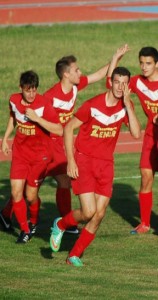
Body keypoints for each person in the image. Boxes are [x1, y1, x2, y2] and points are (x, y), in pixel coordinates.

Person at [49, 66, 141, 266]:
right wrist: (71, 160)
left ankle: (73, 255)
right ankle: (61, 224)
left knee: (99, 215)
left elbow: (136, 133)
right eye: (117, 82)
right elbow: (68, 128)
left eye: (124, 83)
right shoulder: (92, 105)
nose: (120, 87)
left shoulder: (126, 106)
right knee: (88, 211)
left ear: (128, 86)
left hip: (106, 164)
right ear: (111, 82)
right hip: (84, 161)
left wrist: (128, 104)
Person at [43, 55, 110, 233]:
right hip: (49, 143)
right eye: (76, 70)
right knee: (41, 184)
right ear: (66, 74)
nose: (80, 72)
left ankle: (67, 223)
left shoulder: (74, 86)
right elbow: (47, 124)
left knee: (62, 181)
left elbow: (99, 75)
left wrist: (116, 58)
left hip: (63, 142)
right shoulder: (50, 97)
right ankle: (67, 223)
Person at [0, 70, 63, 243]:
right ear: (21, 88)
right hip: (20, 154)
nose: (31, 93)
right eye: (28, 90)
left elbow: (59, 129)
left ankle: (34, 221)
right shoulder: (13, 100)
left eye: (34, 89)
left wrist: (37, 119)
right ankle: (25, 230)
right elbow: (13, 118)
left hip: (40, 157)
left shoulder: (43, 105)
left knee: (30, 196)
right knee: (15, 192)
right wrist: (5, 139)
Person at [106, 45, 158, 234]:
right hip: (152, 135)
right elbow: (110, 85)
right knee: (145, 177)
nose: (144, 67)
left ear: (157, 64)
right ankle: (145, 223)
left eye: (148, 63)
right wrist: (115, 58)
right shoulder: (136, 82)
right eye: (141, 63)